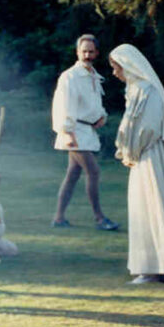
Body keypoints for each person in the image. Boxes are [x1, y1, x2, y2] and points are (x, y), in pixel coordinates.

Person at [109, 44, 164, 284]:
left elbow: (147, 128)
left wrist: (130, 152)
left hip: (150, 156)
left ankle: (153, 267)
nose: (115, 73)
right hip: (144, 156)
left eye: (117, 68)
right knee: (147, 205)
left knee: (150, 205)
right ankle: (159, 264)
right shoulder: (137, 90)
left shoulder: (147, 91)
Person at [51, 34, 119, 231]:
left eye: (91, 51)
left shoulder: (94, 76)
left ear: (96, 53)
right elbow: (63, 106)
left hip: (87, 130)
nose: (87, 55)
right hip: (74, 132)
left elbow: (95, 104)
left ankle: (58, 218)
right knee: (94, 171)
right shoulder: (69, 76)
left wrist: (102, 116)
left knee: (73, 175)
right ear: (77, 52)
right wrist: (68, 132)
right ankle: (99, 218)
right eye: (84, 51)